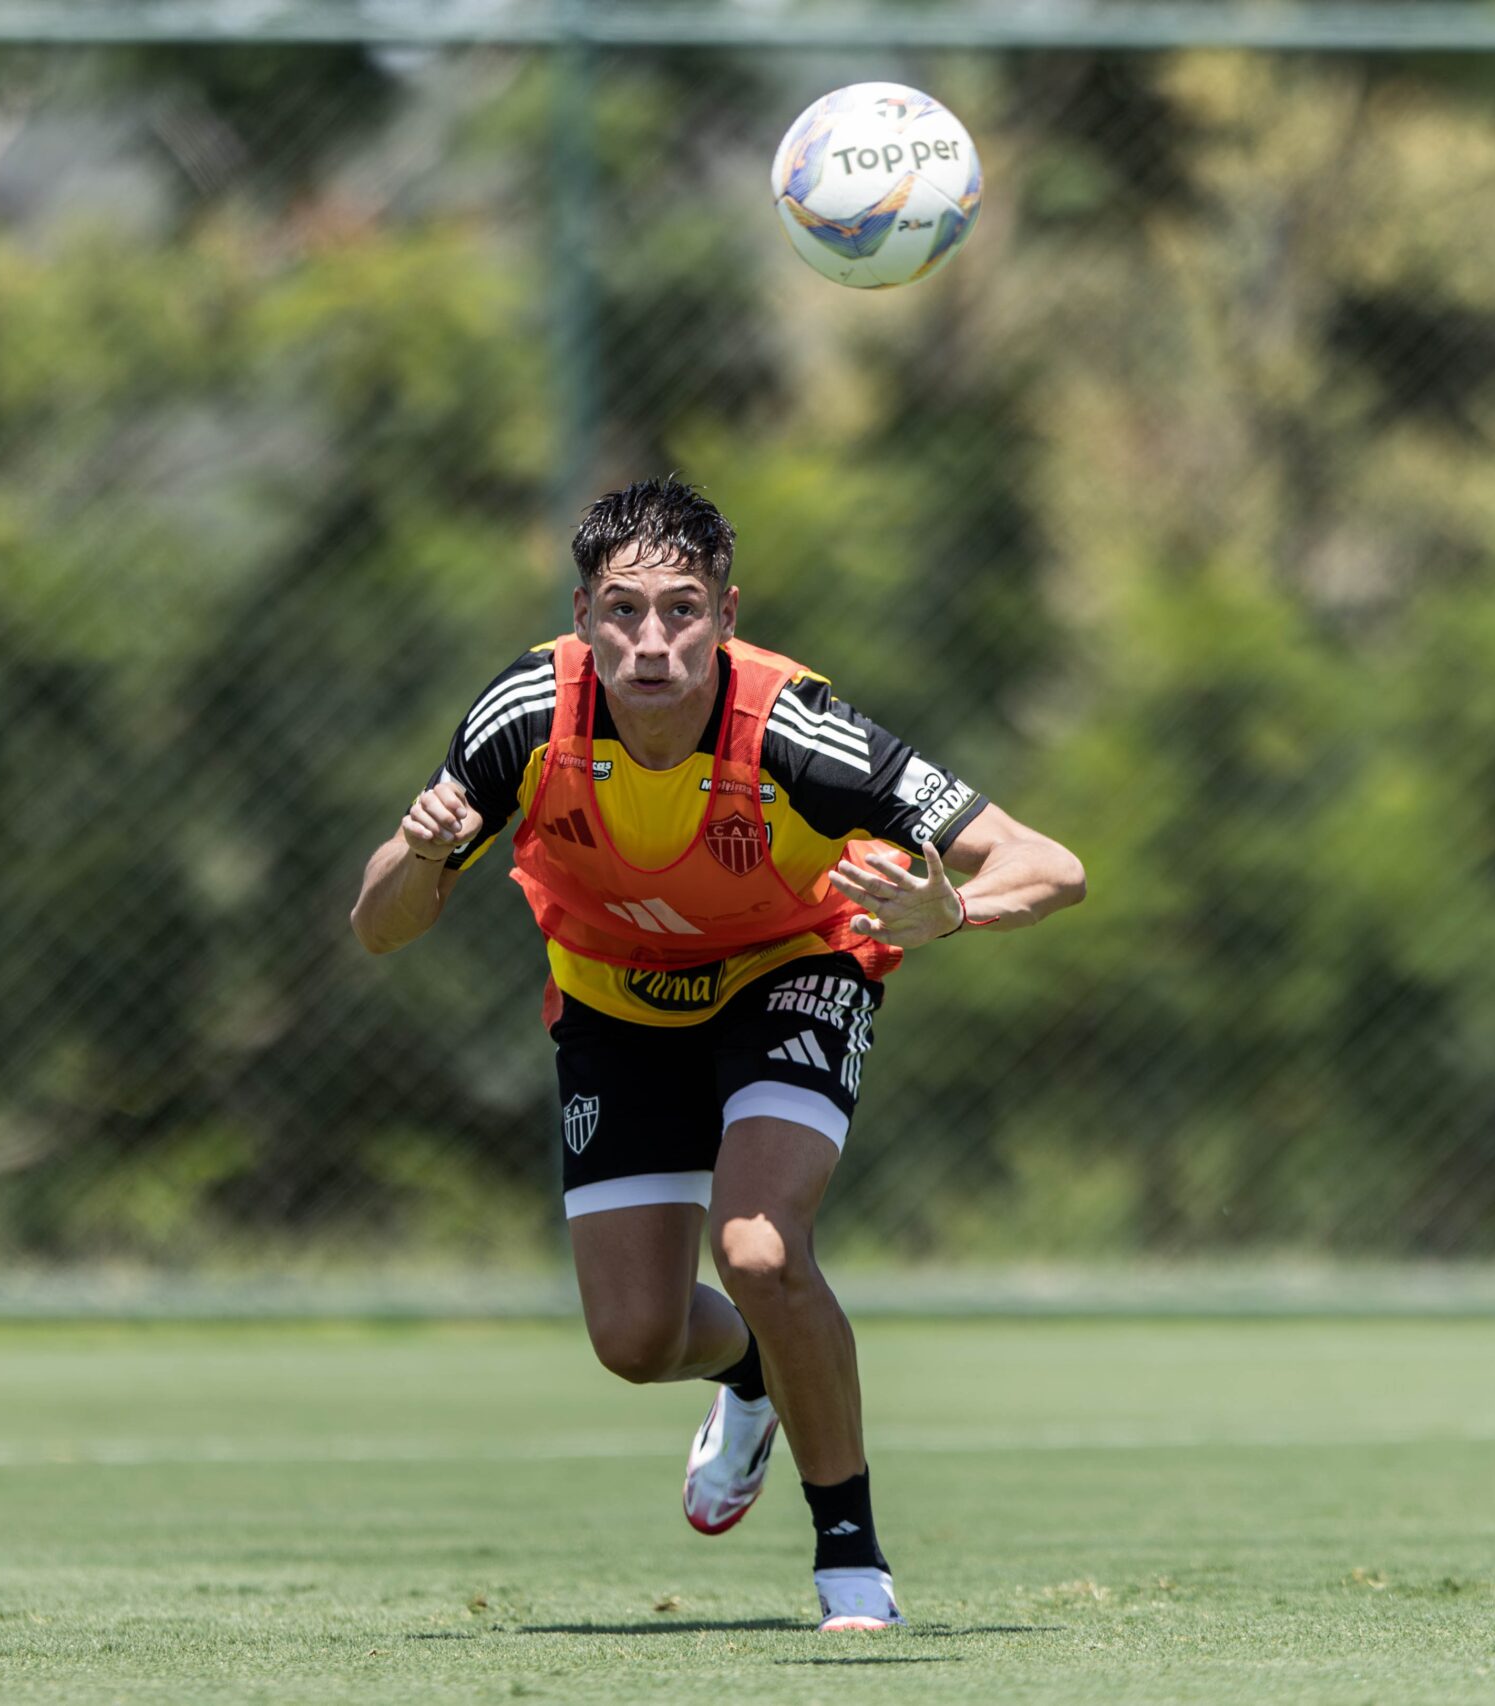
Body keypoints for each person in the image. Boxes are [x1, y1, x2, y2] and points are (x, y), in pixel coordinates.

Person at [349, 477, 1087, 1631]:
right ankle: (752, 1370)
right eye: (624, 610)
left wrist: (953, 914)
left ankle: (851, 1555)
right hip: (614, 1001)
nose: (653, 640)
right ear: (584, 614)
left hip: (790, 971)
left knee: (756, 1243)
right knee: (634, 1339)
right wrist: (417, 849)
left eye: (682, 609)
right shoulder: (521, 720)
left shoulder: (799, 730)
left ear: (726, 614)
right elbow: (378, 926)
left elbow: (1047, 863)